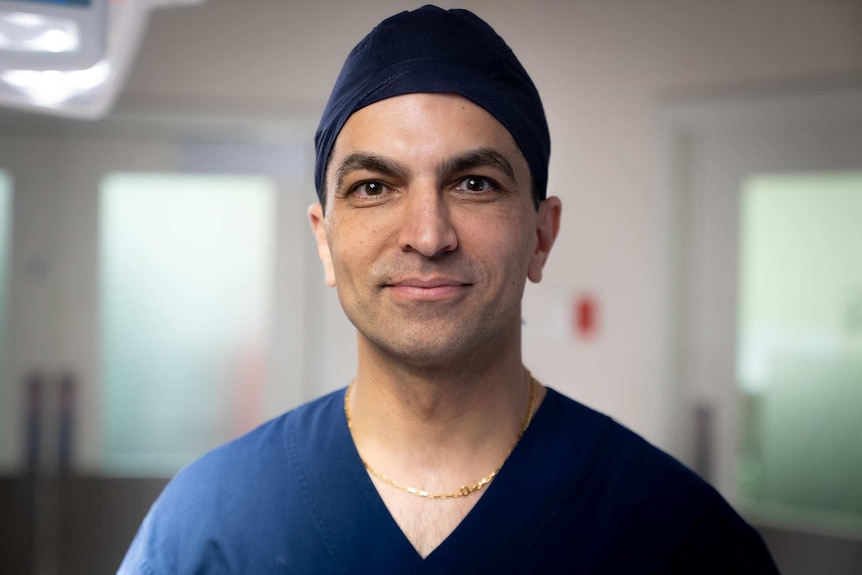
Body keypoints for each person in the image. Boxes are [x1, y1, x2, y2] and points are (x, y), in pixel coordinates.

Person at [118, 5, 779, 574]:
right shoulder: (207, 526)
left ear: (541, 236)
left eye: (474, 183)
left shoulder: (680, 536)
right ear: (325, 239)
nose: (429, 235)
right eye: (374, 187)